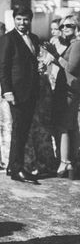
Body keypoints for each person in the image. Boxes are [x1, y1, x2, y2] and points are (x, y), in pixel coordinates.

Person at [0, 6, 42, 184]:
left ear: (30, 20)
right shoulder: (8, 39)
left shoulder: (34, 38)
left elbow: (33, 62)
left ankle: (12, 166)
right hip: (16, 92)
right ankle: (17, 169)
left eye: (26, 19)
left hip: (31, 91)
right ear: (14, 20)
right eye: (19, 19)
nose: (22, 23)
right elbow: (3, 67)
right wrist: (7, 91)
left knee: (23, 129)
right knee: (19, 130)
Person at [41, 14, 80, 178]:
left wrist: (55, 55)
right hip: (68, 87)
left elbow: (70, 68)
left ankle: (65, 162)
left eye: (69, 26)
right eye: (63, 26)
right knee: (70, 125)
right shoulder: (72, 44)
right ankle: (72, 160)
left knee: (63, 126)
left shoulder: (77, 44)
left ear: (77, 26)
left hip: (69, 90)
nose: (65, 28)